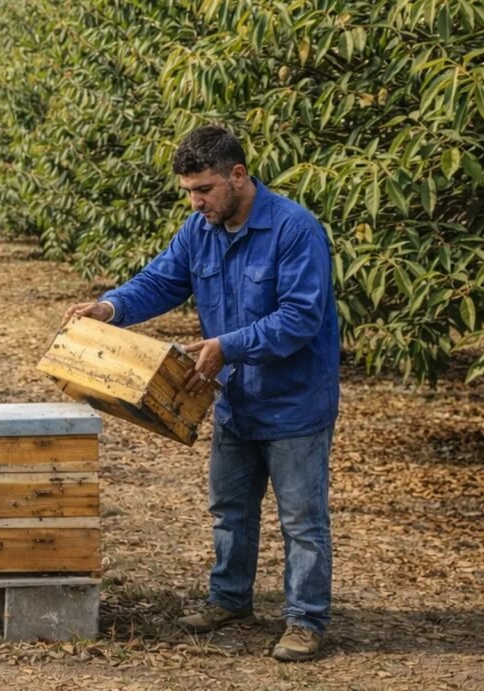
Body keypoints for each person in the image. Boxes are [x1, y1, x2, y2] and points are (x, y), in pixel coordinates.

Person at [63, 125, 339, 662]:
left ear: (238, 176)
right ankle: (229, 599)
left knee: (302, 519)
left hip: (293, 401)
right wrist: (109, 308)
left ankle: (305, 619)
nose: (196, 201)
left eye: (205, 189)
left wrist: (228, 346)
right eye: (189, 191)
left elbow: (301, 317)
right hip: (235, 398)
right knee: (229, 507)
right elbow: (161, 280)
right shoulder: (199, 229)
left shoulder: (294, 230)